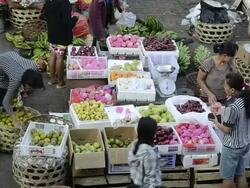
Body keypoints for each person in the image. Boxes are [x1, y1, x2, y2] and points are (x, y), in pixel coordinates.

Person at [212, 73, 250, 188]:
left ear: (232, 90)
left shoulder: (232, 106)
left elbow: (227, 130)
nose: (224, 87)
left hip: (231, 147)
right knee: (240, 174)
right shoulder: (245, 99)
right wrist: (223, 112)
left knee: (227, 178)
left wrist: (216, 122)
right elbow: (239, 117)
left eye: (225, 86)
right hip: (244, 144)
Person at [0, 51, 44, 128]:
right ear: (25, 82)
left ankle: (8, 109)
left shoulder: (34, 66)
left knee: (12, 93)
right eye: (29, 87)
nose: (30, 89)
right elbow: (6, 101)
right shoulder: (16, 79)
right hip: (3, 63)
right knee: (3, 93)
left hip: (11, 56)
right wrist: (15, 120)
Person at [44, 0, 78, 88]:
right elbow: (67, 23)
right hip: (62, 36)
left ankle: (52, 79)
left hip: (52, 34)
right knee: (59, 57)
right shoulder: (64, 3)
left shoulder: (49, 2)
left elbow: (45, 17)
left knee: (52, 55)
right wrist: (75, 19)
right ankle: (60, 82)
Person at [128, 117, 161, 188]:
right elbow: (150, 179)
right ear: (152, 133)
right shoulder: (149, 152)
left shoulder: (134, 144)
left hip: (136, 182)